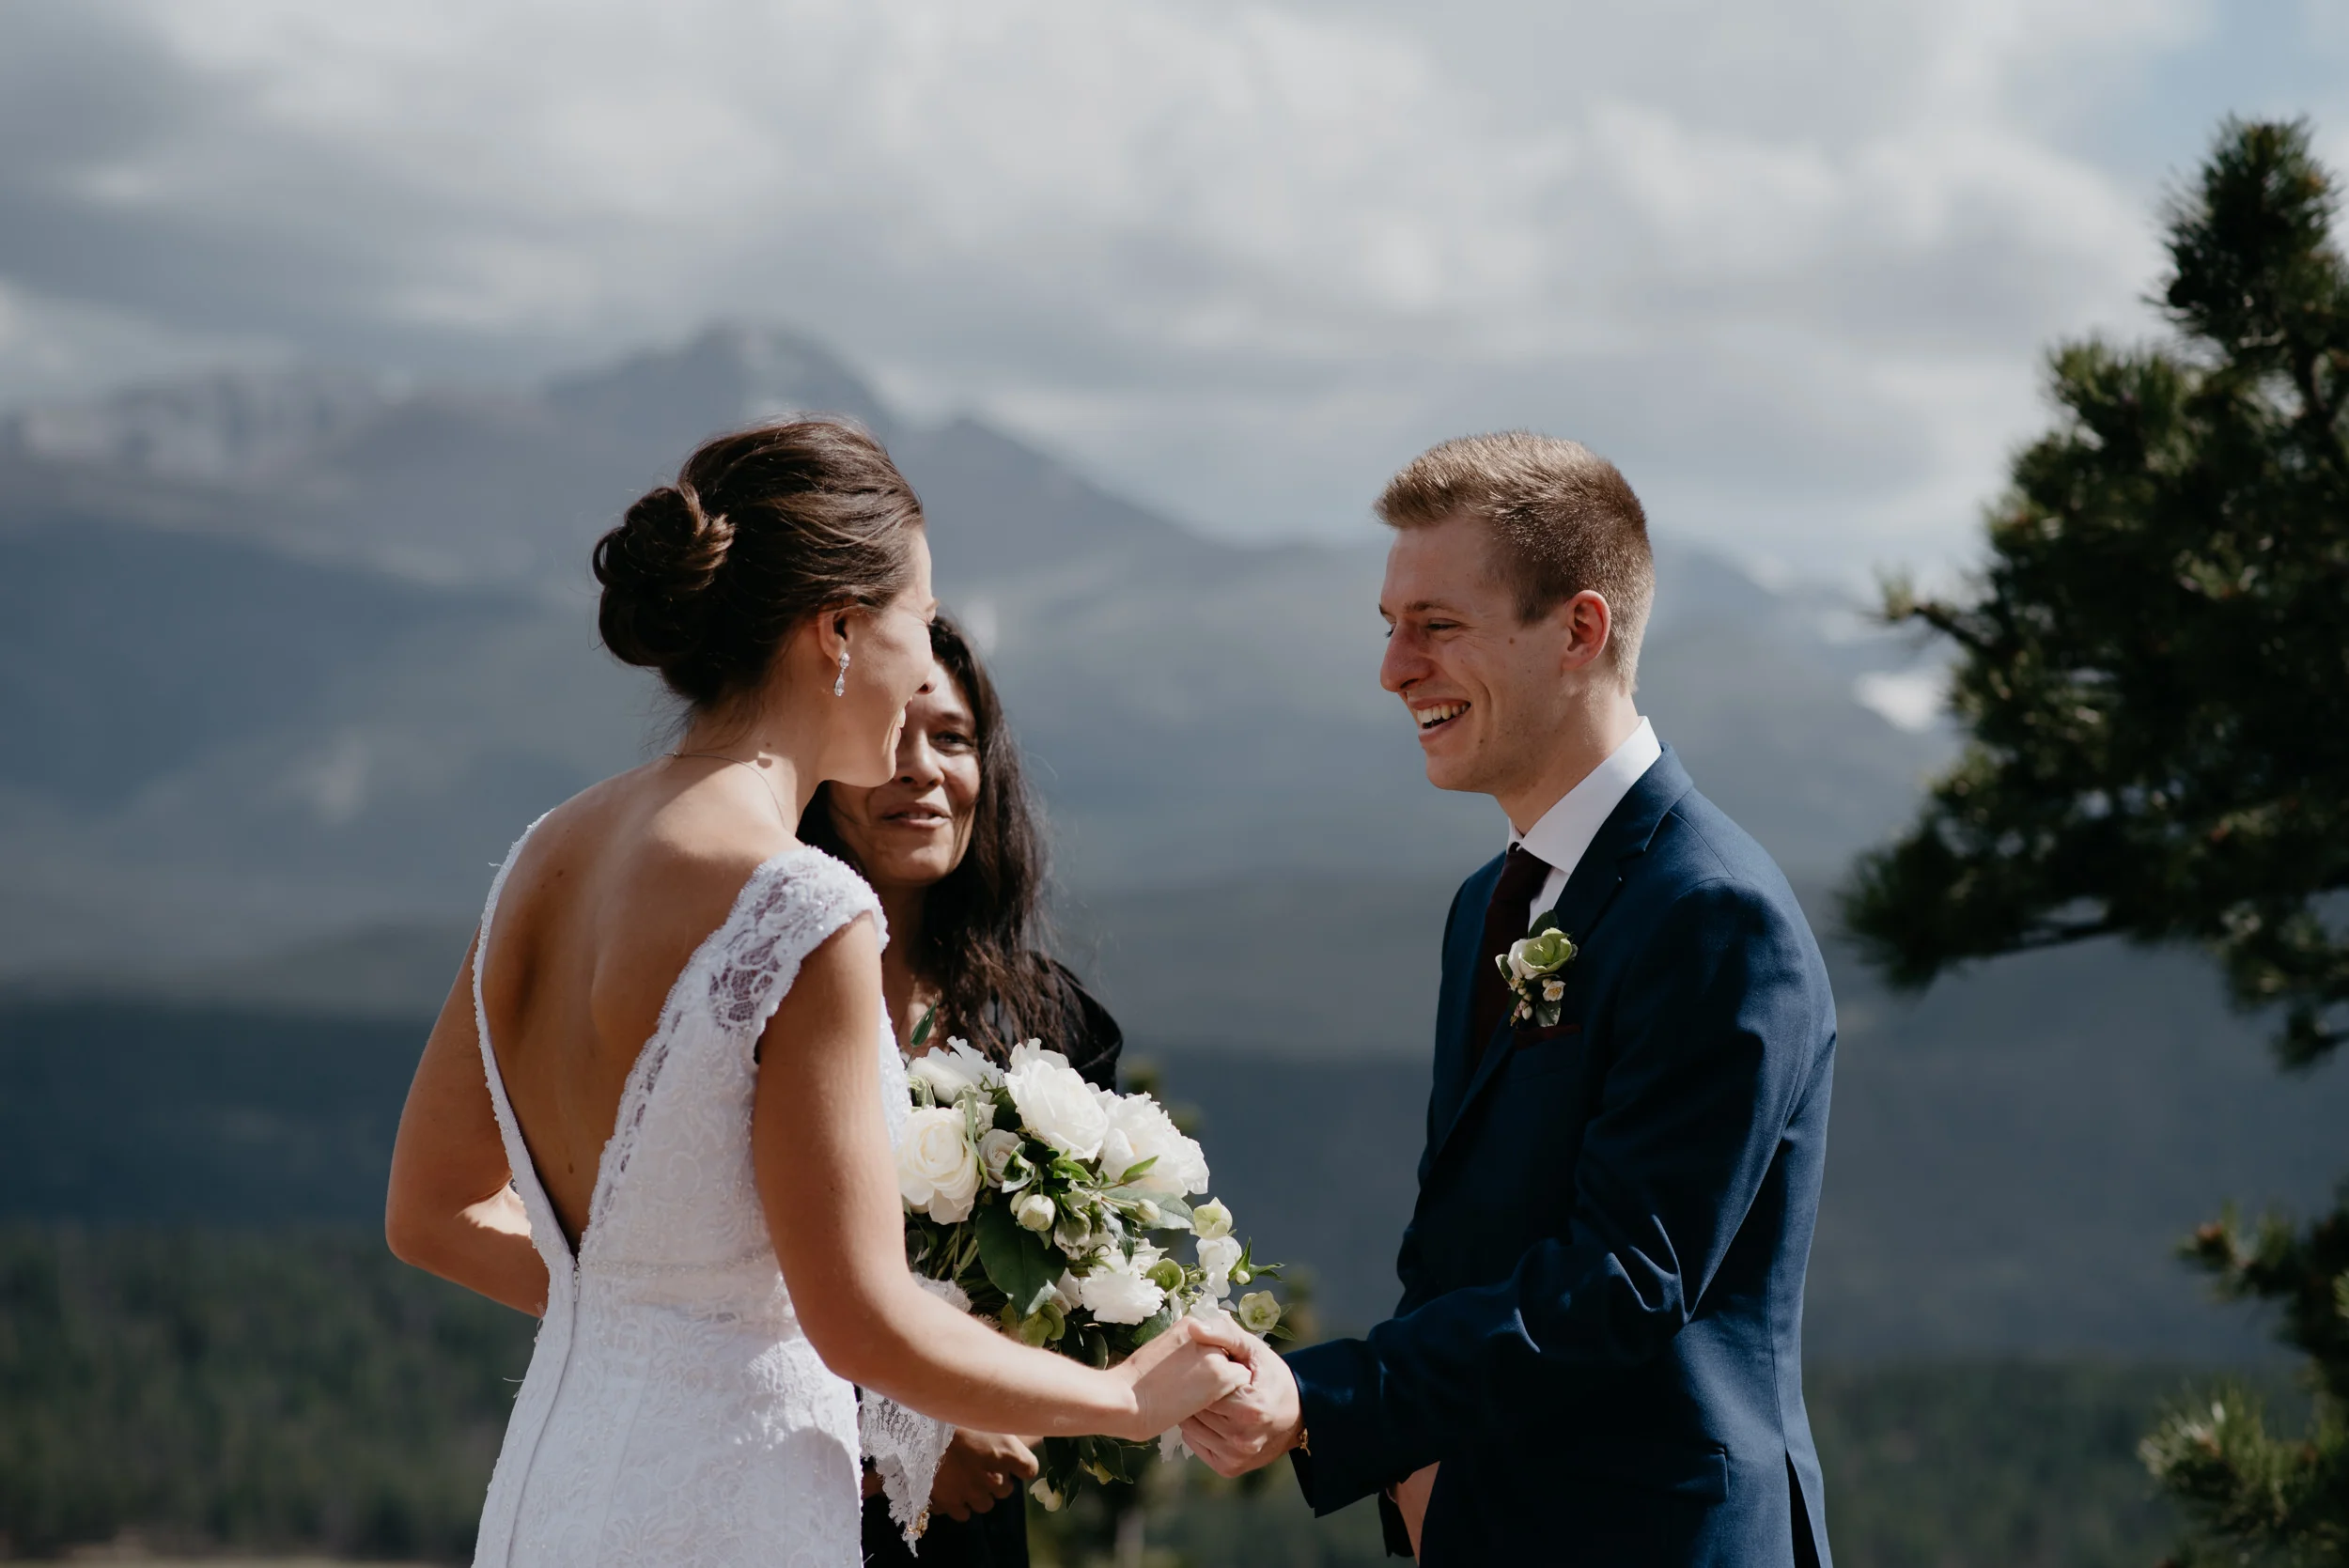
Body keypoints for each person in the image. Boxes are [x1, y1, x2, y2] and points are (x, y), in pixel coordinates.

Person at [383, 419, 1250, 1568]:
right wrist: (1126, 1397)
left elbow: (430, 1210)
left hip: (554, 1493)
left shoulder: (546, 852)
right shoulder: (800, 903)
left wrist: (658, 1317)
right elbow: (860, 1323)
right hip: (734, 1504)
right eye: (915, 616)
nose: (924, 655)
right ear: (838, 631)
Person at [1180, 433, 1837, 1567]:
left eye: (1436, 625)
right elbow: (1463, 1243)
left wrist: (1333, 1401)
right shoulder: (1488, 902)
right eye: (1390, 626)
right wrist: (1421, 1481)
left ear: (1579, 631)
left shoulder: (1714, 912)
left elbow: (1623, 1278)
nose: (1395, 668)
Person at [801, 612, 1122, 1565]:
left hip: (974, 1520)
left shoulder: (1047, 1023)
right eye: (888, 735)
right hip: (789, 1486)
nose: (922, 769)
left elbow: (1074, 1293)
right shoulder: (760, 997)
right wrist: (902, 1427)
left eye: (951, 737)